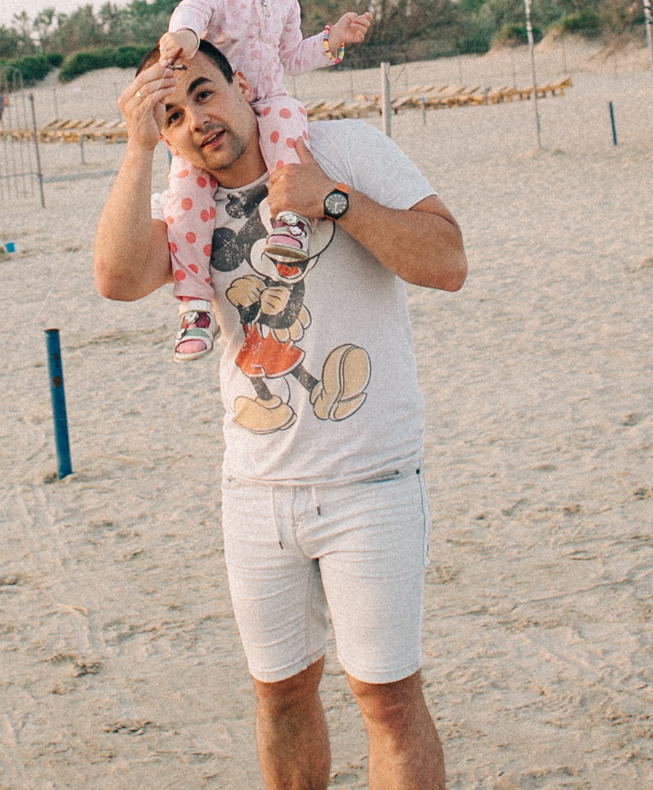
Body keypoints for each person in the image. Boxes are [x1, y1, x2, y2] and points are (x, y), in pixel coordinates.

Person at [94, 39, 465, 790]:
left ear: (242, 84)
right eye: (171, 114)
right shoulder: (188, 203)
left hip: (373, 480)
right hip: (257, 491)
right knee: (282, 694)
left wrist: (332, 199)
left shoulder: (341, 147)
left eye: (203, 91)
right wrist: (137, 150)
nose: (196, 119)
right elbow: (117, 276)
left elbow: (448, 259)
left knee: (387, 701)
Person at [153, 0, 371, 358]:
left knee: (290, 115)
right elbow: (192, 11)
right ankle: (194, 305)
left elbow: (290, 56)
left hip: (267, 103)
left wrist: (333, 39)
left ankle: (289, 222)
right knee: (184, 195)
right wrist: (186, 34)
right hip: (216, 112)